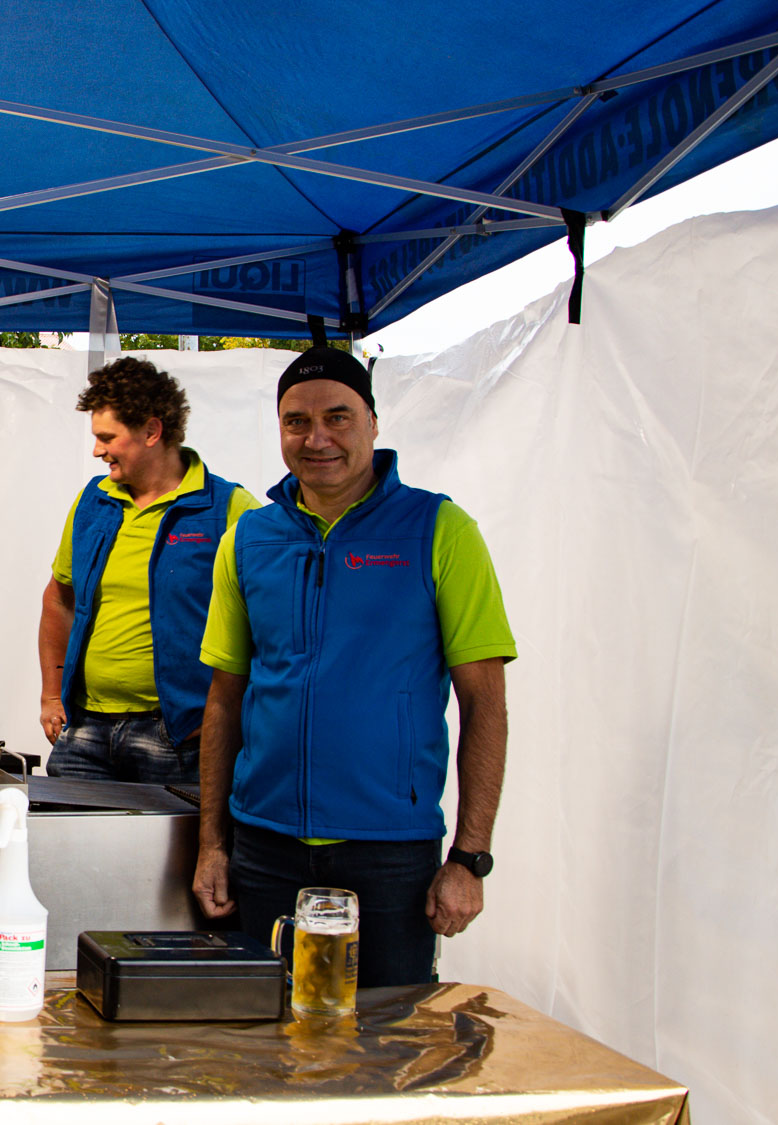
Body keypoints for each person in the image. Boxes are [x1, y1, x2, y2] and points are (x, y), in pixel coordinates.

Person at [192, 345, 514, 987]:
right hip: (264, 844)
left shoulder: (439, 530)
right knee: (262, 1044)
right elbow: (225, 699)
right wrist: (213, 843)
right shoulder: (250, 539)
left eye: (338, 417)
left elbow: (485, 705)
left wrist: (470, 857)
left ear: (373, 421)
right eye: (296, 421)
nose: (317, 439)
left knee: (385, 1051)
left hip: (390, 853)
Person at [37, 357, 257, 786]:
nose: (97, 450)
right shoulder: (92, 501)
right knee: (68, 852)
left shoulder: (230, 508)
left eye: (107, 437)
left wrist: (223, 717)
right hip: (84, 733)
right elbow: (59, 598)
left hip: (179, 737)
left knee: (169, 855)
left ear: (152, 432)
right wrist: (50, 694)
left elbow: (267, 627)